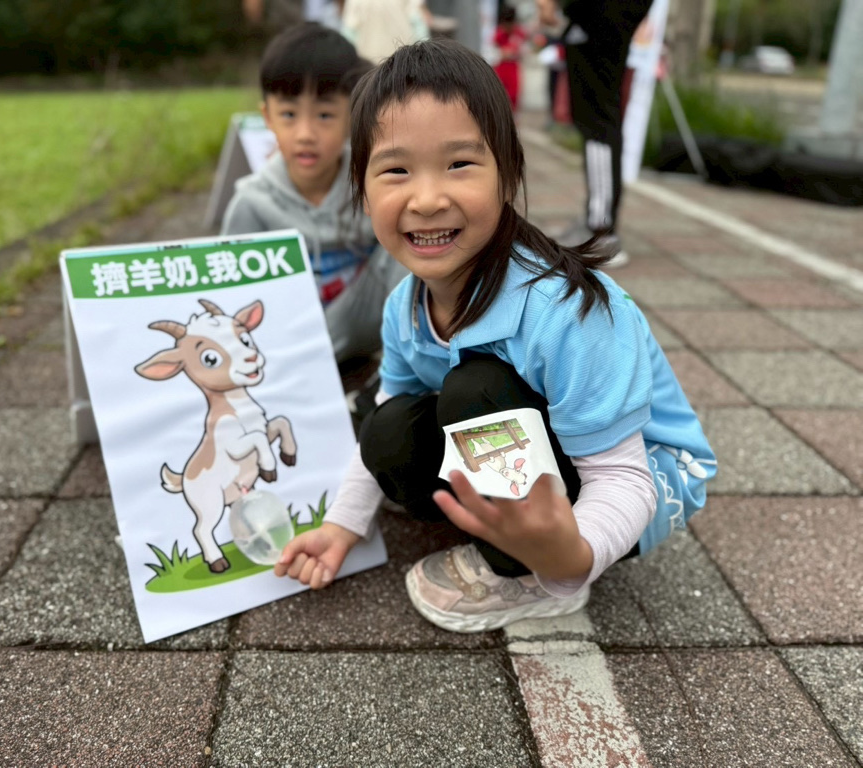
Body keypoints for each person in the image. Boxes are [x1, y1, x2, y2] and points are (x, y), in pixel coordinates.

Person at [273, 39, 716, 633]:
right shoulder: (405, 306)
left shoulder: (565, 312)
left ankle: (529, 570)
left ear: (508, 175)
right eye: (396, 170)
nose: (427, 199)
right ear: (363, 191)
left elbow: (623, 478)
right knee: (388, 429)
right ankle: (509, 526)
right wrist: (341, 526)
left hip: (649, 477)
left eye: (459, 164)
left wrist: (570, 557)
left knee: (476, 391)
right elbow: (391, 408)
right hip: (544, 448)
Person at [221, 23, 407, 363]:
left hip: (370, 337)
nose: (305, 133)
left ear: (352, 115)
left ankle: (406, 361)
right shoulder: (252, 205)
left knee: (408, 231)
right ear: (268, 117)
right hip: (289, 351)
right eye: (289, 114)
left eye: (324, 115)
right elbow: (234, 302)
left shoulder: (375, 183)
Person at [536, 0, 653, 268]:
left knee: (597, 119)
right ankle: (597, 221)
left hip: (603, 12)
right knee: (594, 116)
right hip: (598, 16)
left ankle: (601, 229)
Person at [341, 0, 430, 64]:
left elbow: (349, 34)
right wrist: (422, 56)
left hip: (370, 64)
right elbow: (418, 26)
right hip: (402, 62)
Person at [492, 5, 527, 114]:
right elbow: (495, 51)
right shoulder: (499, 34)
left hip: (513, 68)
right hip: (501, 68)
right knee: (499, 94)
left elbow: (524, 47)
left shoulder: (518, 33)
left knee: (513, 95)